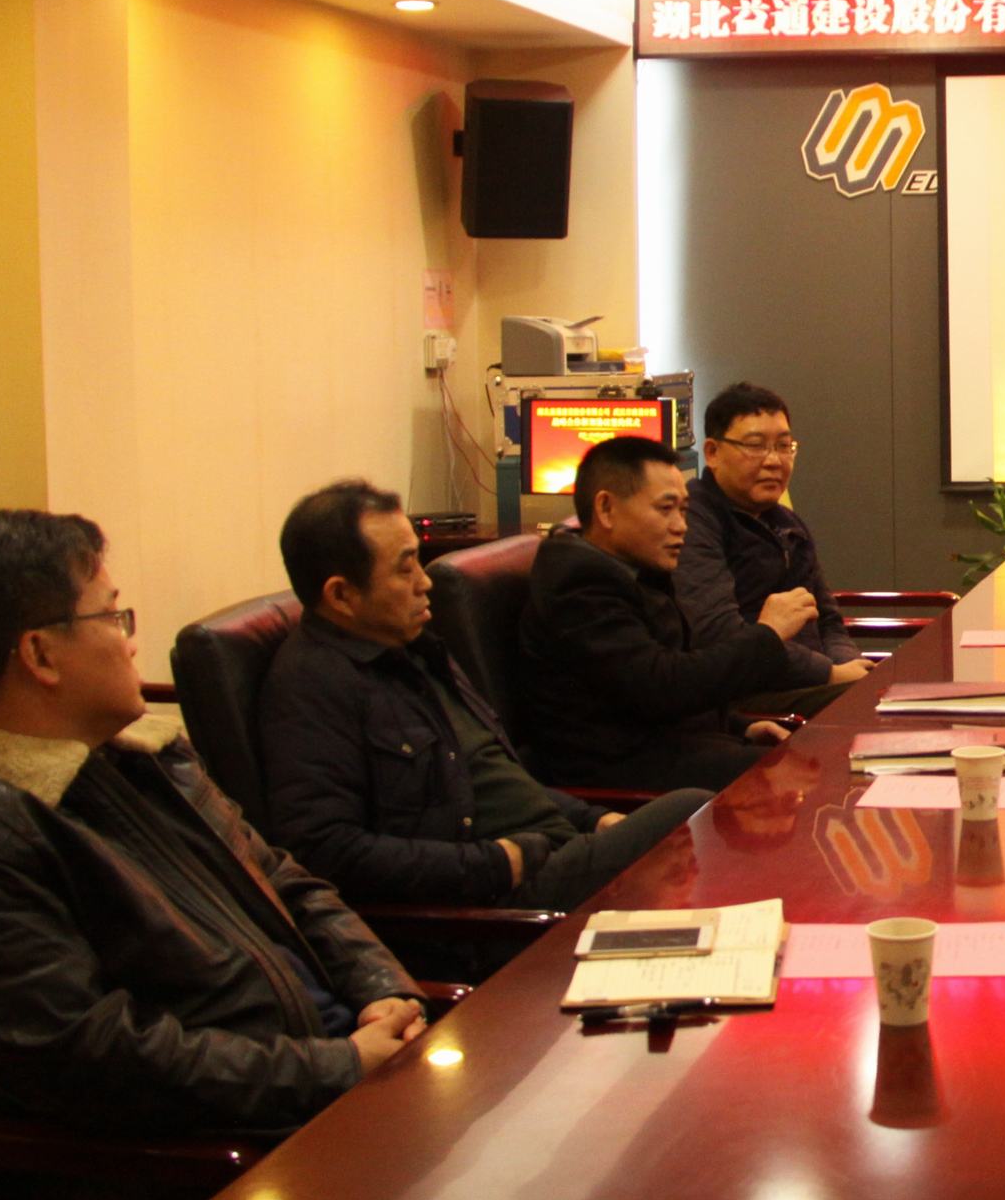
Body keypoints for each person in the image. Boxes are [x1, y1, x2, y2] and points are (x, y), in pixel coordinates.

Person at [0, 510, 425, 1135]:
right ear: (40, 654)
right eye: (114, 617)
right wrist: (339, 1067)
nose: (131, 641)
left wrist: (382, 989)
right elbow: (91, 1058)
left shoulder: (139, 752)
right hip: (254, 1135)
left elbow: (283, 880)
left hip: (336, 1068)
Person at [260, 480, 710, 913]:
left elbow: (493, 775)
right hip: (500, 900)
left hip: (555, 848)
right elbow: (325, 851)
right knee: (692, 810)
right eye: (405, 568)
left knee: (695, 822)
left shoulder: (413, 650)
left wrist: (590, 818)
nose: (424, 582)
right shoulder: (313, 684)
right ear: (341, 595)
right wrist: (494, 863)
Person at [520, 434, 808, 792]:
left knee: (803, 756)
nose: (680, 526)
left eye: (683, 510)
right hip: (619, 775)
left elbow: (662, 687)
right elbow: (662, 687)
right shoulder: (579, 586)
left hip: (667, 749)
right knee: (794, 773)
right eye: (665, 509)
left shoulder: (634, 571)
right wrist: (768, 634)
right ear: (606, 509)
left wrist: (738, 726)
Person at [679, 381, 868, 713]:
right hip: (744, 696)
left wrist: (849, 665)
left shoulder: (786, 522)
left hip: (809, 683)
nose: (774, 461)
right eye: (755, 446)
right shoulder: (692, 520)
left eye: (784, 446)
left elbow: (827, 619)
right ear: (712, 453)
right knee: (874, 706)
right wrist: (830, 674)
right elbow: (720, 633)